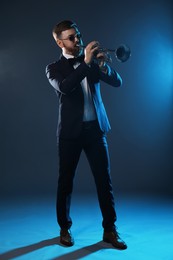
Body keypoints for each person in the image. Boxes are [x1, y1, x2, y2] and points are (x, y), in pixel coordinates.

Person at [45, 20, 127, 250]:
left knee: (104, 182)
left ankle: (109, 230)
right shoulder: (53, 68)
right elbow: (65, 86)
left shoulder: (89, 63)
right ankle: (64, 228)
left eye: (78, 35)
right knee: (66, 183)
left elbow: (117, 82)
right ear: (60, 42)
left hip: (95, 130)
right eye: (72, 37)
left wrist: (102, 66)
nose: (78, 40)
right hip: (70, 133)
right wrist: (87, 63)